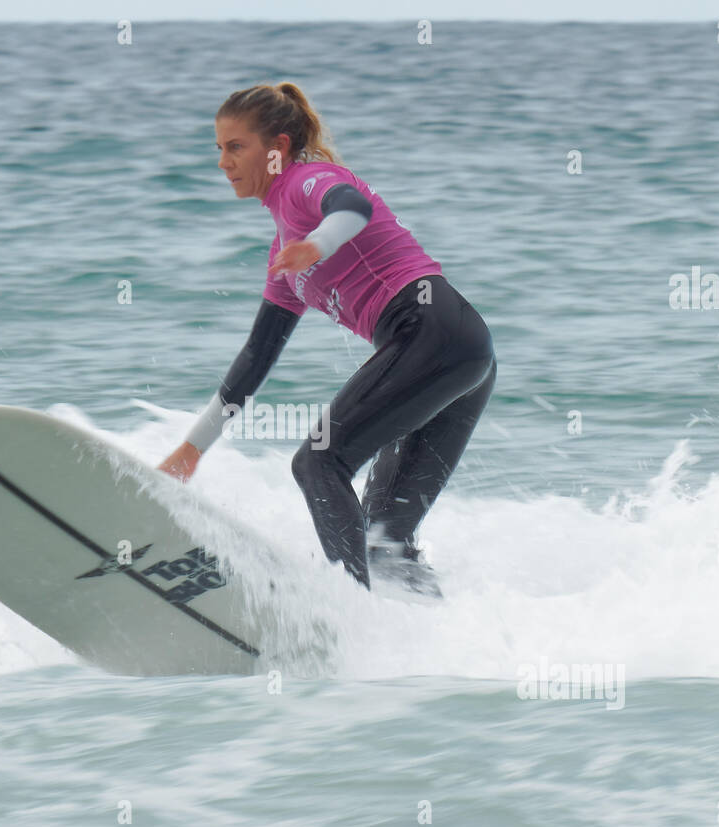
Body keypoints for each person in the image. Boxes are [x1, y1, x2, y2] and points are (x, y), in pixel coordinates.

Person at [157, 82, 496, 597]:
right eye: (219, 149)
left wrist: (316, 244)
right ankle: (430, 643)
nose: (223, 162)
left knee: (319, 460)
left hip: (430, 331)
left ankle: (348, 618)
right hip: (461, 354)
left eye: (236, 147)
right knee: (385, 539)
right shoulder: (284, 258)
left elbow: (351, 207)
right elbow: (256, 357)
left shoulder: (305, 181)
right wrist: (192, 450)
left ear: (278, 149)